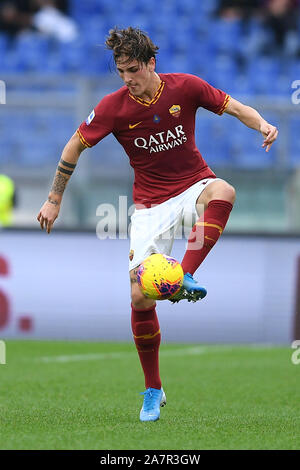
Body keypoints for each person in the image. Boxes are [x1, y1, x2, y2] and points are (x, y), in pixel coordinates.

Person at [37, 27, 278, 422]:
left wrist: (263, 125)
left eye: (133, 69)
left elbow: (233, 106)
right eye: (120, 72)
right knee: (138, 298)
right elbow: (73, 146)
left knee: (225, 191)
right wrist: (54, 197)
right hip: (149, 206)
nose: (127, 78)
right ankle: (153, 389)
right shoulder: (113, 108)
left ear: (152, 63)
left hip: (192, 185)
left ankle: (184, 274)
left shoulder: (186, 88)